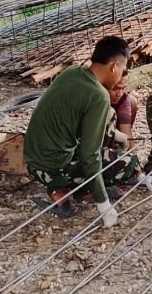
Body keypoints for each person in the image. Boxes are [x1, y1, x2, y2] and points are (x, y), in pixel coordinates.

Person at [23, 36, 133, 224]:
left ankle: (68, 185)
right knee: (127, 164)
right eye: (122, 69)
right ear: (114, 66)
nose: (120, 74)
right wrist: (103, 203)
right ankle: (71, 187)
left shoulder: (72, 72)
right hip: (54, 166)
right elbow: (90, 156)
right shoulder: (99, 95)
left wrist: (117, 135)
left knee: (108, 119)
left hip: (32, 161)